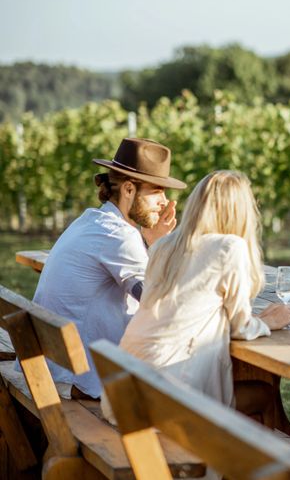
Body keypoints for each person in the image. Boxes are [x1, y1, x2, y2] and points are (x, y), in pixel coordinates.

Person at [102, 170, 290, 421]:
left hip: (122, 394)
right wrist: (269, 322)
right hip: (167, 397)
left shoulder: (163, 245)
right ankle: (237, 460)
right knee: (263, 395)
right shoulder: (229, 247)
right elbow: (240, 328)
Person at [32, 137, 185, 399]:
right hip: (82, 384)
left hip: (54, 371)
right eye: (157, 191)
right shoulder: (119, 236)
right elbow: (157, 302)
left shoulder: (92, 220)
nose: (164, 201)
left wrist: (150, 243)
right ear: (128, 190)